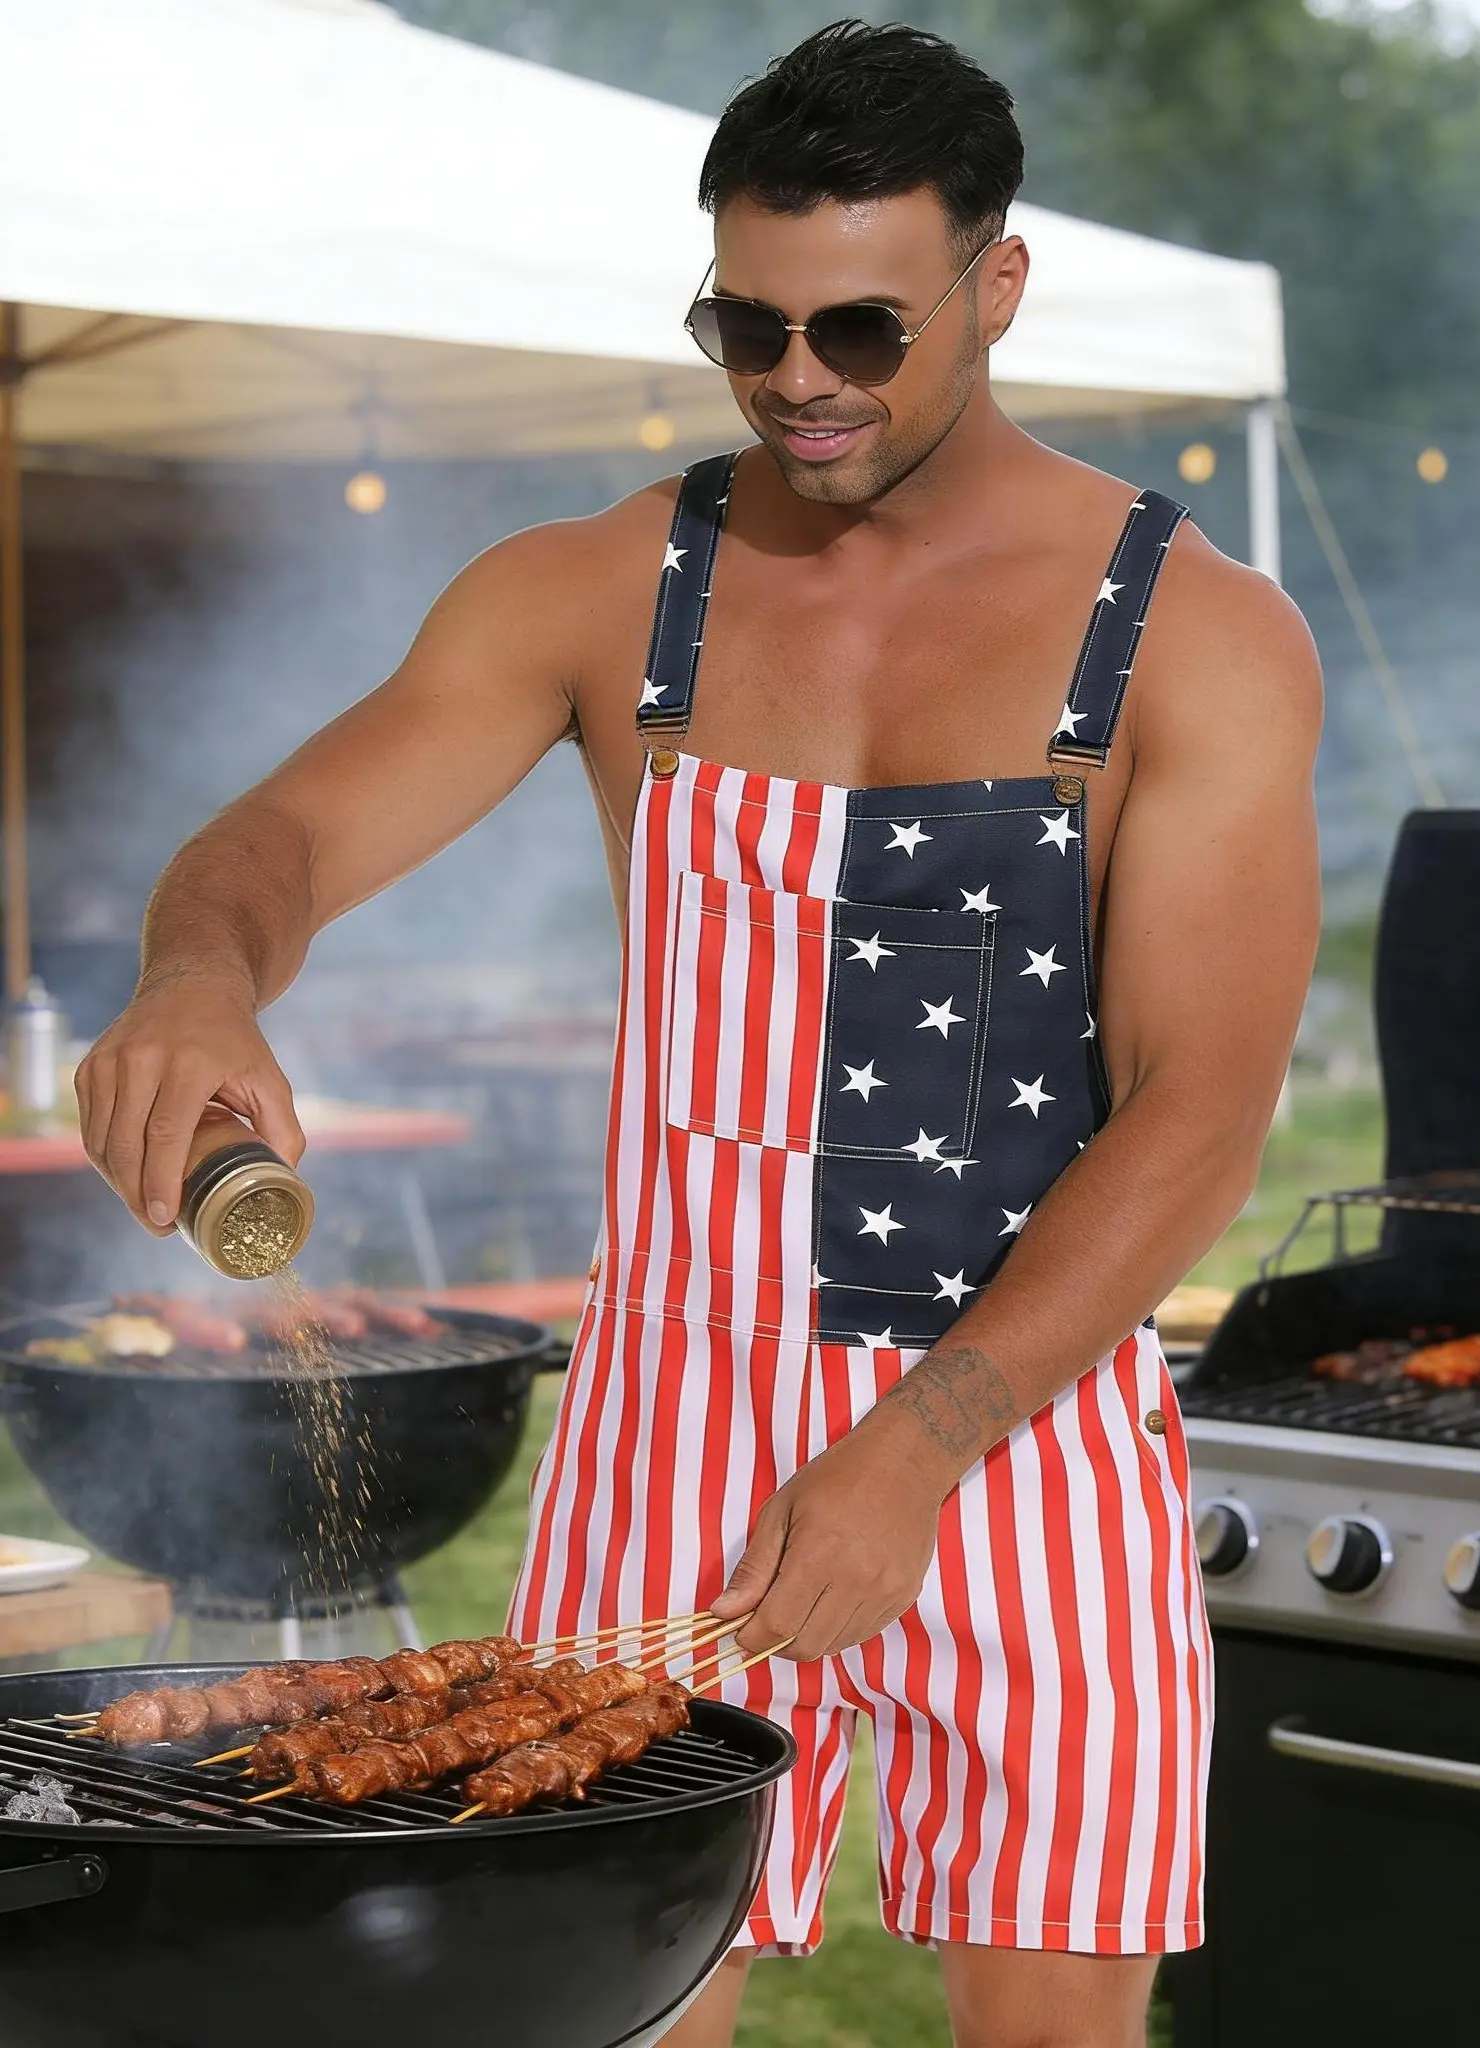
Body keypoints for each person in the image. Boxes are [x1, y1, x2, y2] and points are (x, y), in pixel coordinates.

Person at [76, 21, 1320, 2047]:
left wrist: (921, 1446)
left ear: (998, 285)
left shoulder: (1199, 631)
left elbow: (1203, 1115)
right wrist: (200, 973)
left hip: (1025, 1421)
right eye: (748, 324)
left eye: (861, 327)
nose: (799, 378)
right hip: (672, 1422)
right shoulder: (599, 588)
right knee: (613, 2007)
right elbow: (275, 840)